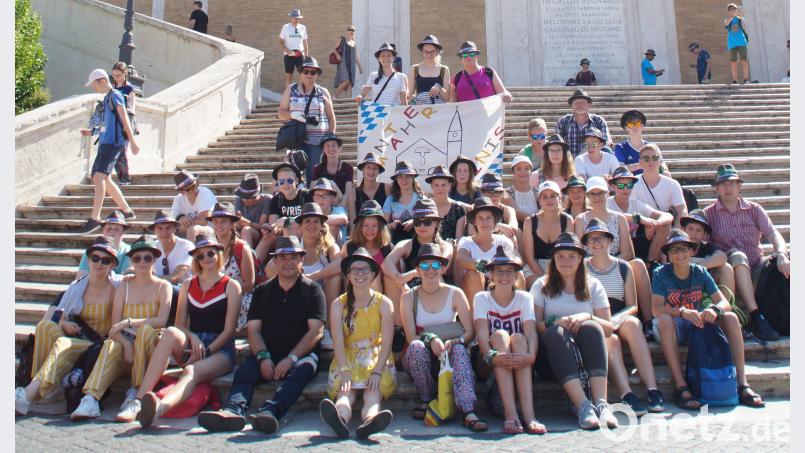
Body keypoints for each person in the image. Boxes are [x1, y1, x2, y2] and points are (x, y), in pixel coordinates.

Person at [197, 236, 326, 434]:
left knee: (303, 370)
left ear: (301, 260)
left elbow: (315, 331)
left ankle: (271, 412)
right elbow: (254, 330)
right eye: (283, 257)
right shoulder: (263, 291)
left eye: (293, 257)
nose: (288, 262)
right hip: (269, 351)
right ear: (275, 261)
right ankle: (233, 410)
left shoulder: (313, 290)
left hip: (300, 354)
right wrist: (263, 357)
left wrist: (291, 359)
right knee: (245, 372)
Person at [134, 234, 241, 428]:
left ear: (219, 255)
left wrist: (206, 351)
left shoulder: (231, 286)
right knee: (169, 333)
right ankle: (139, 399)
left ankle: (159, 408)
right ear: (196, 260)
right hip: (193, 344)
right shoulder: (187, 285)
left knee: (192, 370)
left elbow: (229, 330)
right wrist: (193, 338)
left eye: (211, 253)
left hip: (220, 349)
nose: (207, 258)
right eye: (201, 255)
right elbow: (179, 324)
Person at [651, 230, 765, 410]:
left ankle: (742, 383)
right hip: (673, 323)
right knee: (664, 320)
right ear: (669, 256)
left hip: (697, 322)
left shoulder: (700, 271)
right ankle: (680, 385)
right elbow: (656, 308)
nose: (680, 254)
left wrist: (714, 309)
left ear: (691, 252)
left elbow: (723, 302)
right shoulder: (660, 273)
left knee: (731, 317)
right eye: (674, 250)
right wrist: (682, 312)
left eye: (683, 249)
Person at [70, 235, 172, 421]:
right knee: (110, 344)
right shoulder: (124, 285)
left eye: (147, 257)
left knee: (146, 332)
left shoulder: (163, 286)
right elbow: (114, 327)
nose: (142, 262)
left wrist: (129, 322)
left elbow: (161, 320)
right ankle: (91, 398)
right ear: (131, 260)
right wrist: (125, 344)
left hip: (150, 347)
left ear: (154, 260)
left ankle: (135, 394)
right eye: (137, 258)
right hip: (126, 346)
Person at [15, 236, 121, 416]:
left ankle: (29, 393)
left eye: (105, 260)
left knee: (63, 344)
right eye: (95, 258)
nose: (99, 263)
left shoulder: (117, 287)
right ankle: (44, 387)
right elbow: (62, 318)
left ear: (112, 265)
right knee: (44, 327)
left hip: (96, 345)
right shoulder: (77, 285)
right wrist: (65, 324)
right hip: (75, 336)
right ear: (88, 260)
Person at [531, 232, 617, 430]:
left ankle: (601, 403)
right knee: (554, 332)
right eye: (560, 256)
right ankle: (583, 405)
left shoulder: (593, 285)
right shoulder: (541, 285)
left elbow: (609, 328)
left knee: (592, 327)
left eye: (571, 256)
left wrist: (586, 317)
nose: (565, 261)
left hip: (586, 357)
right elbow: (536, 326)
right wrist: (558, 323)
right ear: (553, 259)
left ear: (580, 259)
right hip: (552, 359)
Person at [581, 220, 664, 415]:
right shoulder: (582, 267)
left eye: (600, 238)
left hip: (620, 314)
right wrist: (605, 323)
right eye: (591, 239)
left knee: (634, 324)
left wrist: (615, 320)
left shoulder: (623, 267)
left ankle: (652, 389)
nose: (596, 243)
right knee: (611, 339)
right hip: (596, 317)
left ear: (609, 241)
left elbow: (633, 305)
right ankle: (627, 394)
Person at [399, 243, 486, 431]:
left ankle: (468, 409)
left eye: (436, 265)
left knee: (461, 350)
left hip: (448, 352)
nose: (430, 270)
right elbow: (411, 336)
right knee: (416, 348)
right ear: (417, 270)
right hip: (421, 355)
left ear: (443, 268)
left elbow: (469, 331)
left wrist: (455, 342)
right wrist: (430, 339)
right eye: (424, 266)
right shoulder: (408, 297)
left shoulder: (455, 293)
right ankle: (427, 399)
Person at [703, 164, 786, 341]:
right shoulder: (708, 214)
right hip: (729, 273)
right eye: (723, 184)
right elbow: (702, 246)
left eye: (732, 183)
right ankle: (756, 316)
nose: (728, 188)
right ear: (716, 188)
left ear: (739, 186)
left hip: (756, 269)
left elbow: (773, 234)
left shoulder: (754, 209)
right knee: (738, 256)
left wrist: (781, 254)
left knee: (784, 262)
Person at [320, 248, 396, 439]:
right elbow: (337, 340)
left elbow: (387, 342)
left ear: (372, 274)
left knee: (373, 393)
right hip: (347, 357)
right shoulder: (338, 304)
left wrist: (378, 371)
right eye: (355, 269)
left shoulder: (384, 303)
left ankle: (370, 421)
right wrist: (344, 369)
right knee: (346, 392)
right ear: (348, 275)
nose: (360, 274)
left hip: (376, 358)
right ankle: (340, 419)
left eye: (364, 269)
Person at [473, 246, 544, 434]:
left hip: (518, 358)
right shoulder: (482, 298)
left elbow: (531, 333)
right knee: (499, 335)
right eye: (499, 272)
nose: (504, 276)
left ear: (515, 276)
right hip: (487, 360)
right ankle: (511, 414)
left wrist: (531, 356)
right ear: (491, 275)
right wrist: (491, 356)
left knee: (519, 338)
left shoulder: (524, 298)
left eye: (509, 272)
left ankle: (529, 415)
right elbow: (481, 334)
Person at [575, 176, 654, 322]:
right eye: (593, 193)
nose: (597, 197)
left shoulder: (619, 218)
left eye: (601, 193)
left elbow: (626, 252)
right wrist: (597, 264)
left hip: (616, 262)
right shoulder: (580, 219)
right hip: (589, 265)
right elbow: (579, 252)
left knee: (638, 264)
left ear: (607, 194)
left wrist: (609, 264)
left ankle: (649, 321)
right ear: (588, 196)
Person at [77, 68, 139, 234]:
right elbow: (108, 124)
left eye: (94, 84)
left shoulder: (115, 96)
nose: (93, 88)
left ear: (102, 81)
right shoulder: (107, 99)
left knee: (99, 176)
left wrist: (132, 141)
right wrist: (92, 132)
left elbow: (124, 117)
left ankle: (95, 218)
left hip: (113, 143)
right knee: (105, 178)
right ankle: (127, 211)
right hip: (106, 142)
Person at [382, 198, 454, 323]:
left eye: (427, 222)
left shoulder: (444, 246)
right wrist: (399, 279)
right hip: (410, 291)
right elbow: (386, 264)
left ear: (436, 223)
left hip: (435, 285)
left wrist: (410, 274)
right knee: (390, 279)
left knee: (434, 277)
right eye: (417, 222)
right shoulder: (407, 244)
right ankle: (400, 329)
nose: (421, 226)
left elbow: (441, 268)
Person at [308, 199, 393, 294]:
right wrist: (313, 276)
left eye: (374, 225)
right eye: (365, 225)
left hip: (382, 297)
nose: (370, 230)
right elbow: (341, 269)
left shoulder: (387, 248)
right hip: (354, 295)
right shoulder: (349, 246)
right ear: (360, 226)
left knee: (375, 274)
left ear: (381, 227)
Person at [278, 57, 336, 183]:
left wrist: (330, 139)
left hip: (318, 140)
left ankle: (312, 200)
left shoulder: (323, 92)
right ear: (300, 73)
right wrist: (293, 115)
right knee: (294, 172)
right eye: (306, 71)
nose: (309, 74)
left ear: (317, 74)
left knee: (314, 173)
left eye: (313, 72)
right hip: (295, 138)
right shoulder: (291, 89)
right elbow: (281, 113)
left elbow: (331, 117)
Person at [455, 197, 522, 303]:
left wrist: (499, 269)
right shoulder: (466, 241)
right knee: (473, 275)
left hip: (500, 283)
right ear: (475, 222)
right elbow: (460, 260)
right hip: (474, 287)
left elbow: (518, 259)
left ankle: (516, 312)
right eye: (480, 218)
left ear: (494, 220)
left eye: (488, 218)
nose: (485, 222)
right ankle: (476, 316)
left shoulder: (503, 241)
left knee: (519, 274)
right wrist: (487, 266)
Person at [607, 166, 673, 263]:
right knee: (625, 233)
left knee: (665, 226)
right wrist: (640, 219)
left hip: (634, 244)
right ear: (613, 186)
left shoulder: (635, 203)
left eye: (629, 185)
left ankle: (650, 264)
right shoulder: (607, 203)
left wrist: (653, 224)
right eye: (621, 185)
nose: (626, 189)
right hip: (612, 245)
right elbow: (614, 216)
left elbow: (668, 216)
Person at [208, 202, 257, 331]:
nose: (218, 225)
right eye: (216, 221)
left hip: (239, 297)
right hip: (214, 295)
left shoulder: (242, 248)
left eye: (223, 221)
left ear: (232, 223)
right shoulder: (209, 248)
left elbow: (249, 284)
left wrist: (224, 290)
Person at [522, 181, 575, 288]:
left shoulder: (568, 220)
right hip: (535, 267)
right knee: (539, 287)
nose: (549, 200)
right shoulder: (529, 221)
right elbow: (529, 257)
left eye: (552, 196)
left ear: (559, 199)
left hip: (562, 265)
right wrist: (545, 278)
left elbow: (570, 252)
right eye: (545, 197)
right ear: (540, 201)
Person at [631, 144, 687, 227]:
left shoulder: (672, 184)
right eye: (646, 159)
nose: (651, 161)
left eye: (655, 158)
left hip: (665, 224)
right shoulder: (632, 183)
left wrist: (676, 230)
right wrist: (646, 224)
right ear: (640, 162)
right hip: (641, 226)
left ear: (660, 161)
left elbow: (682, 210)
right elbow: (630, 212)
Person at [456, 173, 519, 246]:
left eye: (496, 192)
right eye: (488, 192)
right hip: (476, 247)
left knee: (515, 235)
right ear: (482, 193)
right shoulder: (473, 209)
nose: (492, 196)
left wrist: (492, 227)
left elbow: (514, 229)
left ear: (502, 194)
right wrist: (497, 226)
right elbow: (472, 234)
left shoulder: (507, 210)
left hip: (500, 246)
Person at [148, 210, 193, 313]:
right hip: (156, 290)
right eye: (160, 228)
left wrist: (149, 280)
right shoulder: (151, 247)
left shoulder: (186, 246)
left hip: (182, 292)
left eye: (168, 228)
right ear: (154, 230)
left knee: (169, 289)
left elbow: (175, 278)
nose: (164, 232)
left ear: (175, 228)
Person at [75, 211, 132, 280]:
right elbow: (81, 277)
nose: (112, 232)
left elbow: (125, 280)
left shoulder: (128, 252)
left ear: (123, 232)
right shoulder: (92, 251)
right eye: (109, 229)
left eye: (117, 229)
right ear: (103, 231)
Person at [554, 89, 611, 158]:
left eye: (583, 102)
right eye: (576, 102)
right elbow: (556, 146)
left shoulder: (598, 121)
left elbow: (605, 144)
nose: (580, 105)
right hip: (569, 165)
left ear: (589, 105)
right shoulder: (562, 122)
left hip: (593, 164)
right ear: (572, 105)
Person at [233, 174, 273, 261]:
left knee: (246, 230)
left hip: (260, 235)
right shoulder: (239, 200)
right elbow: (237, 223)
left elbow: (262, 226)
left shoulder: (266, 200)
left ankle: (248, 262)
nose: (245, 200)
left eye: (249, 197)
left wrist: (246, 222)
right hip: (242, 234)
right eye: (243, 196)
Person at [170, 170, 218, 240]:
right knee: (168, 231)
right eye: (190, 188)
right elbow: (171, 223)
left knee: (192, 229)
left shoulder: (204, 193)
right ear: (182, 192)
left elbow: (204, 221)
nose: (195, 189)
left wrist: (183, 222)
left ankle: (191, 251)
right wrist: (181, 218)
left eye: (195, 185)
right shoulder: (178, 199)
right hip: (191, 232)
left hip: (214, 231)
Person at [383, 160, 424, 244]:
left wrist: (414, 222)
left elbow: (427, 221)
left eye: (407, 176)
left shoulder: (421, 198)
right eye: (400, 177)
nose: (404, 180)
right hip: (395, 242)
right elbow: (382, 226)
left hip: (418, 242)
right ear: (396, 179)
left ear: (413, 177)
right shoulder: (390, 199)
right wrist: (392, 225)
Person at [356, 43, 408, 107]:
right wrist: (360, 96)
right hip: (377, 114)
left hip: (393, 114)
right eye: (383, 56)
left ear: (393, 58)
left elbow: (404, 102)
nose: (386, 58)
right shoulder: (373, 75)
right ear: (379, 59)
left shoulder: (401, 77)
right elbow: (363, 93)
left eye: (389, 55)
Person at [109, 62, 136, 185]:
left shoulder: (129, 89)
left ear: (125, 73)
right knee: (111, 151)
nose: (116, 78)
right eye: (114, 75)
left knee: (121, 150)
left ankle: (125, 177)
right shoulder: (112, 88)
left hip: (125, 122)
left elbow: (131, 109)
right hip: (112, 123)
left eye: (118, 75)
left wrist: (127, 125)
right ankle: (114, 177)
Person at [426, 165, 467, 242]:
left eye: (443, 185)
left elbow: (459, 239)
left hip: (452, 250)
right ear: (431, 186)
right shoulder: (425, 206)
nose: (440, 189)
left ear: (450, 185)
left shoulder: (458, 209)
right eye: (436, 185)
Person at [408, 35, 450, 105]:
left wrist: (439, 87)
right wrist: (416, 102)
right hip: (420, 111)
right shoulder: (415, 69)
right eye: (426, 52)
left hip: (440, 112)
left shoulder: (444, 69)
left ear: (437, 52)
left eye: (432, 52)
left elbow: (447, 98)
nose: (429, 55)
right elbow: (409, 95)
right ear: (422, 51)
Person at [348, 152, 389, 221]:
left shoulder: (387, 188)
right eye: (368, 167)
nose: (371, 171)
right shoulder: (353, 194)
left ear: (379, 171)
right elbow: (353, 224)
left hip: (383, 230)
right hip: (361, 231)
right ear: (363, 169)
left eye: (375, 168)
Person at [312, 133, 353, 200]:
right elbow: (312, 190)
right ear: (324, 150)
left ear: (339, 148)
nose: (331, 148)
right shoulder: (317, 168)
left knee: (332, 183)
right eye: (327, 146)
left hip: (342, 204)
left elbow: (348, 194)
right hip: (323, 203)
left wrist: (340, 208)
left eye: (334, 145)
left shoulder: (348, 168)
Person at [309, 178, 349, 246]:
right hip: (316, 247)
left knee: (333, 226)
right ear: (314, 199)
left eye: (325, 195)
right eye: (318, 195)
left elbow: (343, 219)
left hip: (336, 248)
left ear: (332, 198)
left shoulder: (338, 210)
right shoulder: (311, 212)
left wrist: (315, 221)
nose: (321, 199)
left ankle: (328, 255)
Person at [504, 155, 539, 227]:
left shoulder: (538, 191)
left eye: (526, 168)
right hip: (518, 229)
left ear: (531, 171)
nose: (523, 172)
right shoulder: (507, 193)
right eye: (519, 169)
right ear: (513, 172)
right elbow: (517, 213)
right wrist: (539, 221)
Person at [279, 9, 309, 86]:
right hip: (289, 55)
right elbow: (281, 41)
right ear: (291, 17)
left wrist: (306, 56)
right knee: (289, 77)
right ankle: (288, 95)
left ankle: (299, 93)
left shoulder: (303, 27)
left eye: (297, 18)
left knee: (303, 76)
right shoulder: (286, 27)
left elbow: (305, 43)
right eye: (294, 18)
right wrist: (287, 51)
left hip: (300, 54)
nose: (296, 19)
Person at [613, 110, 648, 175]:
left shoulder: (651, 146)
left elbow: (662, 166)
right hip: (630, 181)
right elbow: (620, 169)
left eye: (637, 123)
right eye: (630, 124)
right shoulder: (620, 147)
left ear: (642, 125)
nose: (634, 127)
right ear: (626, 128)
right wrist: (640, 165)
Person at [333, 25, 363, 99]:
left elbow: (356, 57)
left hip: (351, 65)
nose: (351, 31)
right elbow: (334, 49)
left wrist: (360, 67)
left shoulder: (354, 43)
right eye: (350, 30)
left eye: (353, 30)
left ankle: (348, 101)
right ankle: (335, 97)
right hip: (343, 63)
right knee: (346, 80)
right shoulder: (342, 39)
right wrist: (337, 55)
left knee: (350, 83)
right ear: (346, 31)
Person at [724, 3, 750, 84]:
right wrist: (733, 16)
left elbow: (745, 24)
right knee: (733, 62)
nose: (733, 10)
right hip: (732, 44)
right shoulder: (727, 19)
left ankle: (746, 79)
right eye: (731, 9)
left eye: (735, 8)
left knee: (744, 60)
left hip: (741, 42)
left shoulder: (740, 18)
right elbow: (726, 24)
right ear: (729, 11)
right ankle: (735, 80)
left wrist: (740, 16)